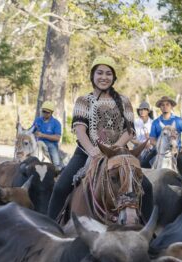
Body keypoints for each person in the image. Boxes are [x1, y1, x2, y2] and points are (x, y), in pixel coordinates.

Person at [48, 55, 151, 221]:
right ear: (92, 76)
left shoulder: (124, 101)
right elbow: (80, 130)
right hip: (87, 152)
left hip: (120, 153)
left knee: (146, 187)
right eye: (100, 73)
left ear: (114, 77)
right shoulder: (83, 101)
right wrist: (93, 150)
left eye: (108, 73)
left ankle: (146, 229)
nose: (104, 77)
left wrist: (114, 149)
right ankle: (51, 226)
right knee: (60, 187)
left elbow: (129, 131)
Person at [143, 95, 182, 173]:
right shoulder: (156, 122)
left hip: (175, 150)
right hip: (159, 150)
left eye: (167, 104)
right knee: (144, 164)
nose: (165, 106)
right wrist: (162, 145)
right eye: (162, 105)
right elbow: (152, 140)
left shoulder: (178, 121)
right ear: (160, 107)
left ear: (171, 106)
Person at [32, 101, 64, 168]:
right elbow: (32, 131)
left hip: (50, 144)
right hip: (37, 142)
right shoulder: (37, 120)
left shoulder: (56, 123)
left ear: (52, 113)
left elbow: (57, 137)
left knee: (52, 149)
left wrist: (42, 135)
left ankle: (57, 166)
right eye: (43, 111)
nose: (45, 114)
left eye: (47, 112)